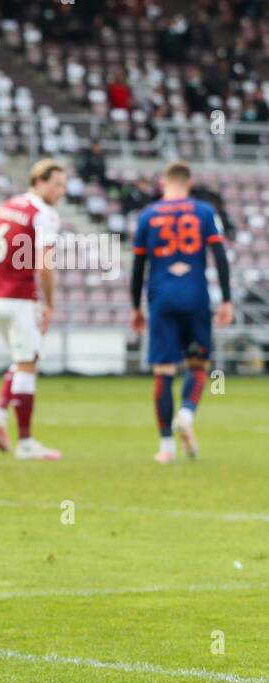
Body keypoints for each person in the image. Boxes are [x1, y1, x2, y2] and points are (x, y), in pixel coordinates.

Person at [130, 161, 234, 462]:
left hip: (161, 297)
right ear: (188, 183)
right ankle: (187, 414)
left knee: (163, 371)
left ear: (164, 183)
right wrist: (226, 300)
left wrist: (136, 306)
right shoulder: (203, 211)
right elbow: (220, 256)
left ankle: (166, 447)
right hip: (195, 295)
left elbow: (139, 266)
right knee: (198, 364)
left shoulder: (148, 215)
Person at [0, 159, 66, 460]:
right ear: (39, 181)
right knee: (28, 363)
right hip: (19, 296)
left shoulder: (8, 205)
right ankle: (26, 442)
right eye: (56, 184)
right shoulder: (44, 214)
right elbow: (44, 262)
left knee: (20, 360)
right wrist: (50, 303)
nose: (60, 191)